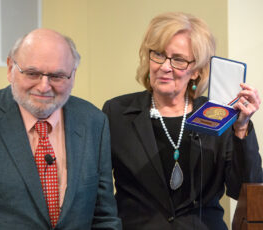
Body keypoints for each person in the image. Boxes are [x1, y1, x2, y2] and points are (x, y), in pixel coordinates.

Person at [0, 29, 121, 230]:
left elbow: (104, 218)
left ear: (73, 75)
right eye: (32, 73)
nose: (44, 86)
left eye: (57, 76)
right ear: (11, 68)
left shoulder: (94, 122)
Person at [102, 12, 263, 230]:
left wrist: (241, 127)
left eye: (178, 59)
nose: (165, 67)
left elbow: (243, 190)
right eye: (158, 54)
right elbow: (98, 190)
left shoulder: (218, 114)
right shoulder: (117, 112)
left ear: (196, 70)